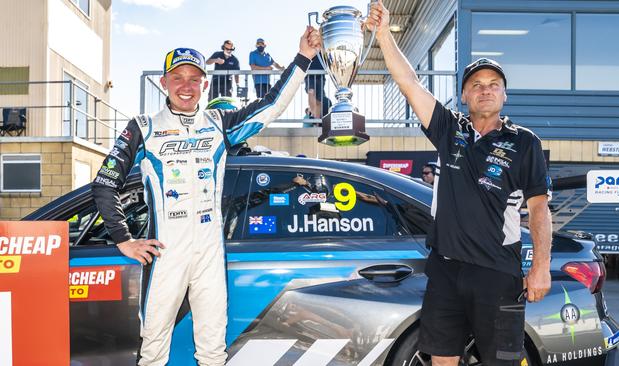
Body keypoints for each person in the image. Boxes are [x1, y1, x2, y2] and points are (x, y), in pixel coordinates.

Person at [91, 27, 320, 366]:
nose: (186, 86)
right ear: (164, 83)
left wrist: (302, 58)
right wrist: (124, 239)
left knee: (213, 352)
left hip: (210, 255)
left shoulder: (219, 123)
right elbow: (104, 184)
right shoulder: (143, 127)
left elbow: (271, 105)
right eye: (177, 77)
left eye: (194, 78)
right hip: (167, 255)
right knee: (153, 351)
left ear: (204, 84)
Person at [366, 2, 552, 365]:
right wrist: (385, 34)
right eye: (476, 85)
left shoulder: (524, 142)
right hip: (446, 271)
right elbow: (409, 83)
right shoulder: (449, 130)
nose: (485, 90)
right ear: (464, 95)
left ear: (504, 95)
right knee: (442, 360)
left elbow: (539, 208)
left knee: (501, 361)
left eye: (494, 85)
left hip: (497, 273)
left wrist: (540, 266)